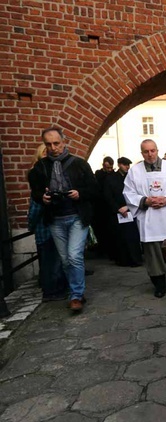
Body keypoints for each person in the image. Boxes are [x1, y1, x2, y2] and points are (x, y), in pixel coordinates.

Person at [28, 127, 98, 312]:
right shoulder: (40, 167)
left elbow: (94, 189)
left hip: (76, 216)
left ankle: (76, 295)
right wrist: (41, 198)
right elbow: (34, 192)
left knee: (74, 256)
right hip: (55, 219)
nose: (53, 147)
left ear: (64, 142)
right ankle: (75, 290)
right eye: (48, 144)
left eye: (56, 143)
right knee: (66, 260)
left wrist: (79, 193)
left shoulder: (79, 164)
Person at [123, 139, 166, 297]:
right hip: (149, 218)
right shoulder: (134, 171)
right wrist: (145, 201)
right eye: (146, 151)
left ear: (157, 150)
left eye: (152, 150)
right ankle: (159, 283)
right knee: (153, 253)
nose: (150, 154)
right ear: (141, 153)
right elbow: (128, 193)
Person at [27, 144, 67, 302]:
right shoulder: (38, 176)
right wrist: (31, 224)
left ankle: (57, 288)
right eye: (45, 152)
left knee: (56, 259)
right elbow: (35, 206)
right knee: (50, 260)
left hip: (56, 224)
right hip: (45, 227)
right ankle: (52, 291)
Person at [102, 157, 142, 267]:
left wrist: (128, 206)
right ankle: (123, 260)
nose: (127, 167)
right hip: (117, 212)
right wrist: (117, 208)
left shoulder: (130, 177)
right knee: (120, 237)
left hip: (129, 210)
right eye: (125, 165)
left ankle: (135, 259)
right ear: (119, 164)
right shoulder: (110, 178)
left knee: (132, 236)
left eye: (128, 165)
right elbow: (107, 195)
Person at [92, 156, 116, 259]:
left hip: (109, 207)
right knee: (101, 229)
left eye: (110, 168)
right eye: (107, 168)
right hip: (100, 206)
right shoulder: (99, 174)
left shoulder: (113, 175)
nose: (109, 170)